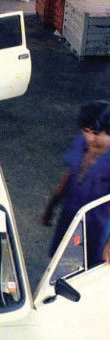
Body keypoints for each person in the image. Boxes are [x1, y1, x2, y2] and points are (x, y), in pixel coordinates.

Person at [41, 100, 110, 266]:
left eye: (95, 133)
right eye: (86, 131)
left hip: (98, 227)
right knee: (61, 262)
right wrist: (51, 206)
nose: (89, 138)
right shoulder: (80, 144)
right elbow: (68, 177)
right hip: (70, 218)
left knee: (90, 269)